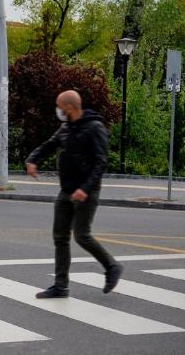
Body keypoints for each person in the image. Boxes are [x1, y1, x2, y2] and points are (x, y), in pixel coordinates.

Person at [25, 90, 122, 298]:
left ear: (70, 107)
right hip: (66, 190)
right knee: (60, 237)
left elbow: (100, 162)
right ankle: (61, 286)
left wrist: (85, 189)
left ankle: (111, 267)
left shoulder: (95, 128)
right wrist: (32, 160)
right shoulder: (66, 127)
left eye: (59, 106)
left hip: (86, 192)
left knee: (82, 235)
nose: (57, 110)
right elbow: (49, 145)